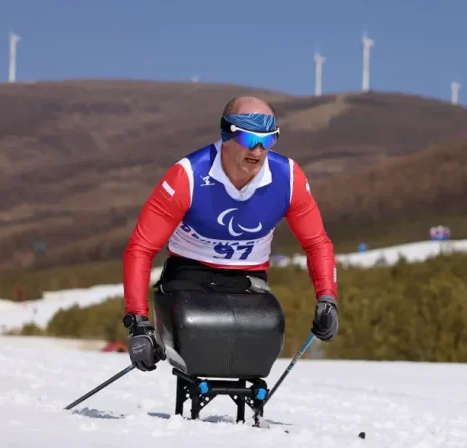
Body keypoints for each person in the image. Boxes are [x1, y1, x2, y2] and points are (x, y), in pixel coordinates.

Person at [121, 96, 339, 372]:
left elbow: (317, 243)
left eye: (269, 140)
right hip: (189, 274)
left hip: (247, 279)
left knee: (266, 335)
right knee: (195, 334)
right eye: (250, 140)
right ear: (227, 134)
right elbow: (141, 248)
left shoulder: (289, 178)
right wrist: (138, 323)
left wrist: (327, 299)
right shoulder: (187, 176)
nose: (258, 151)